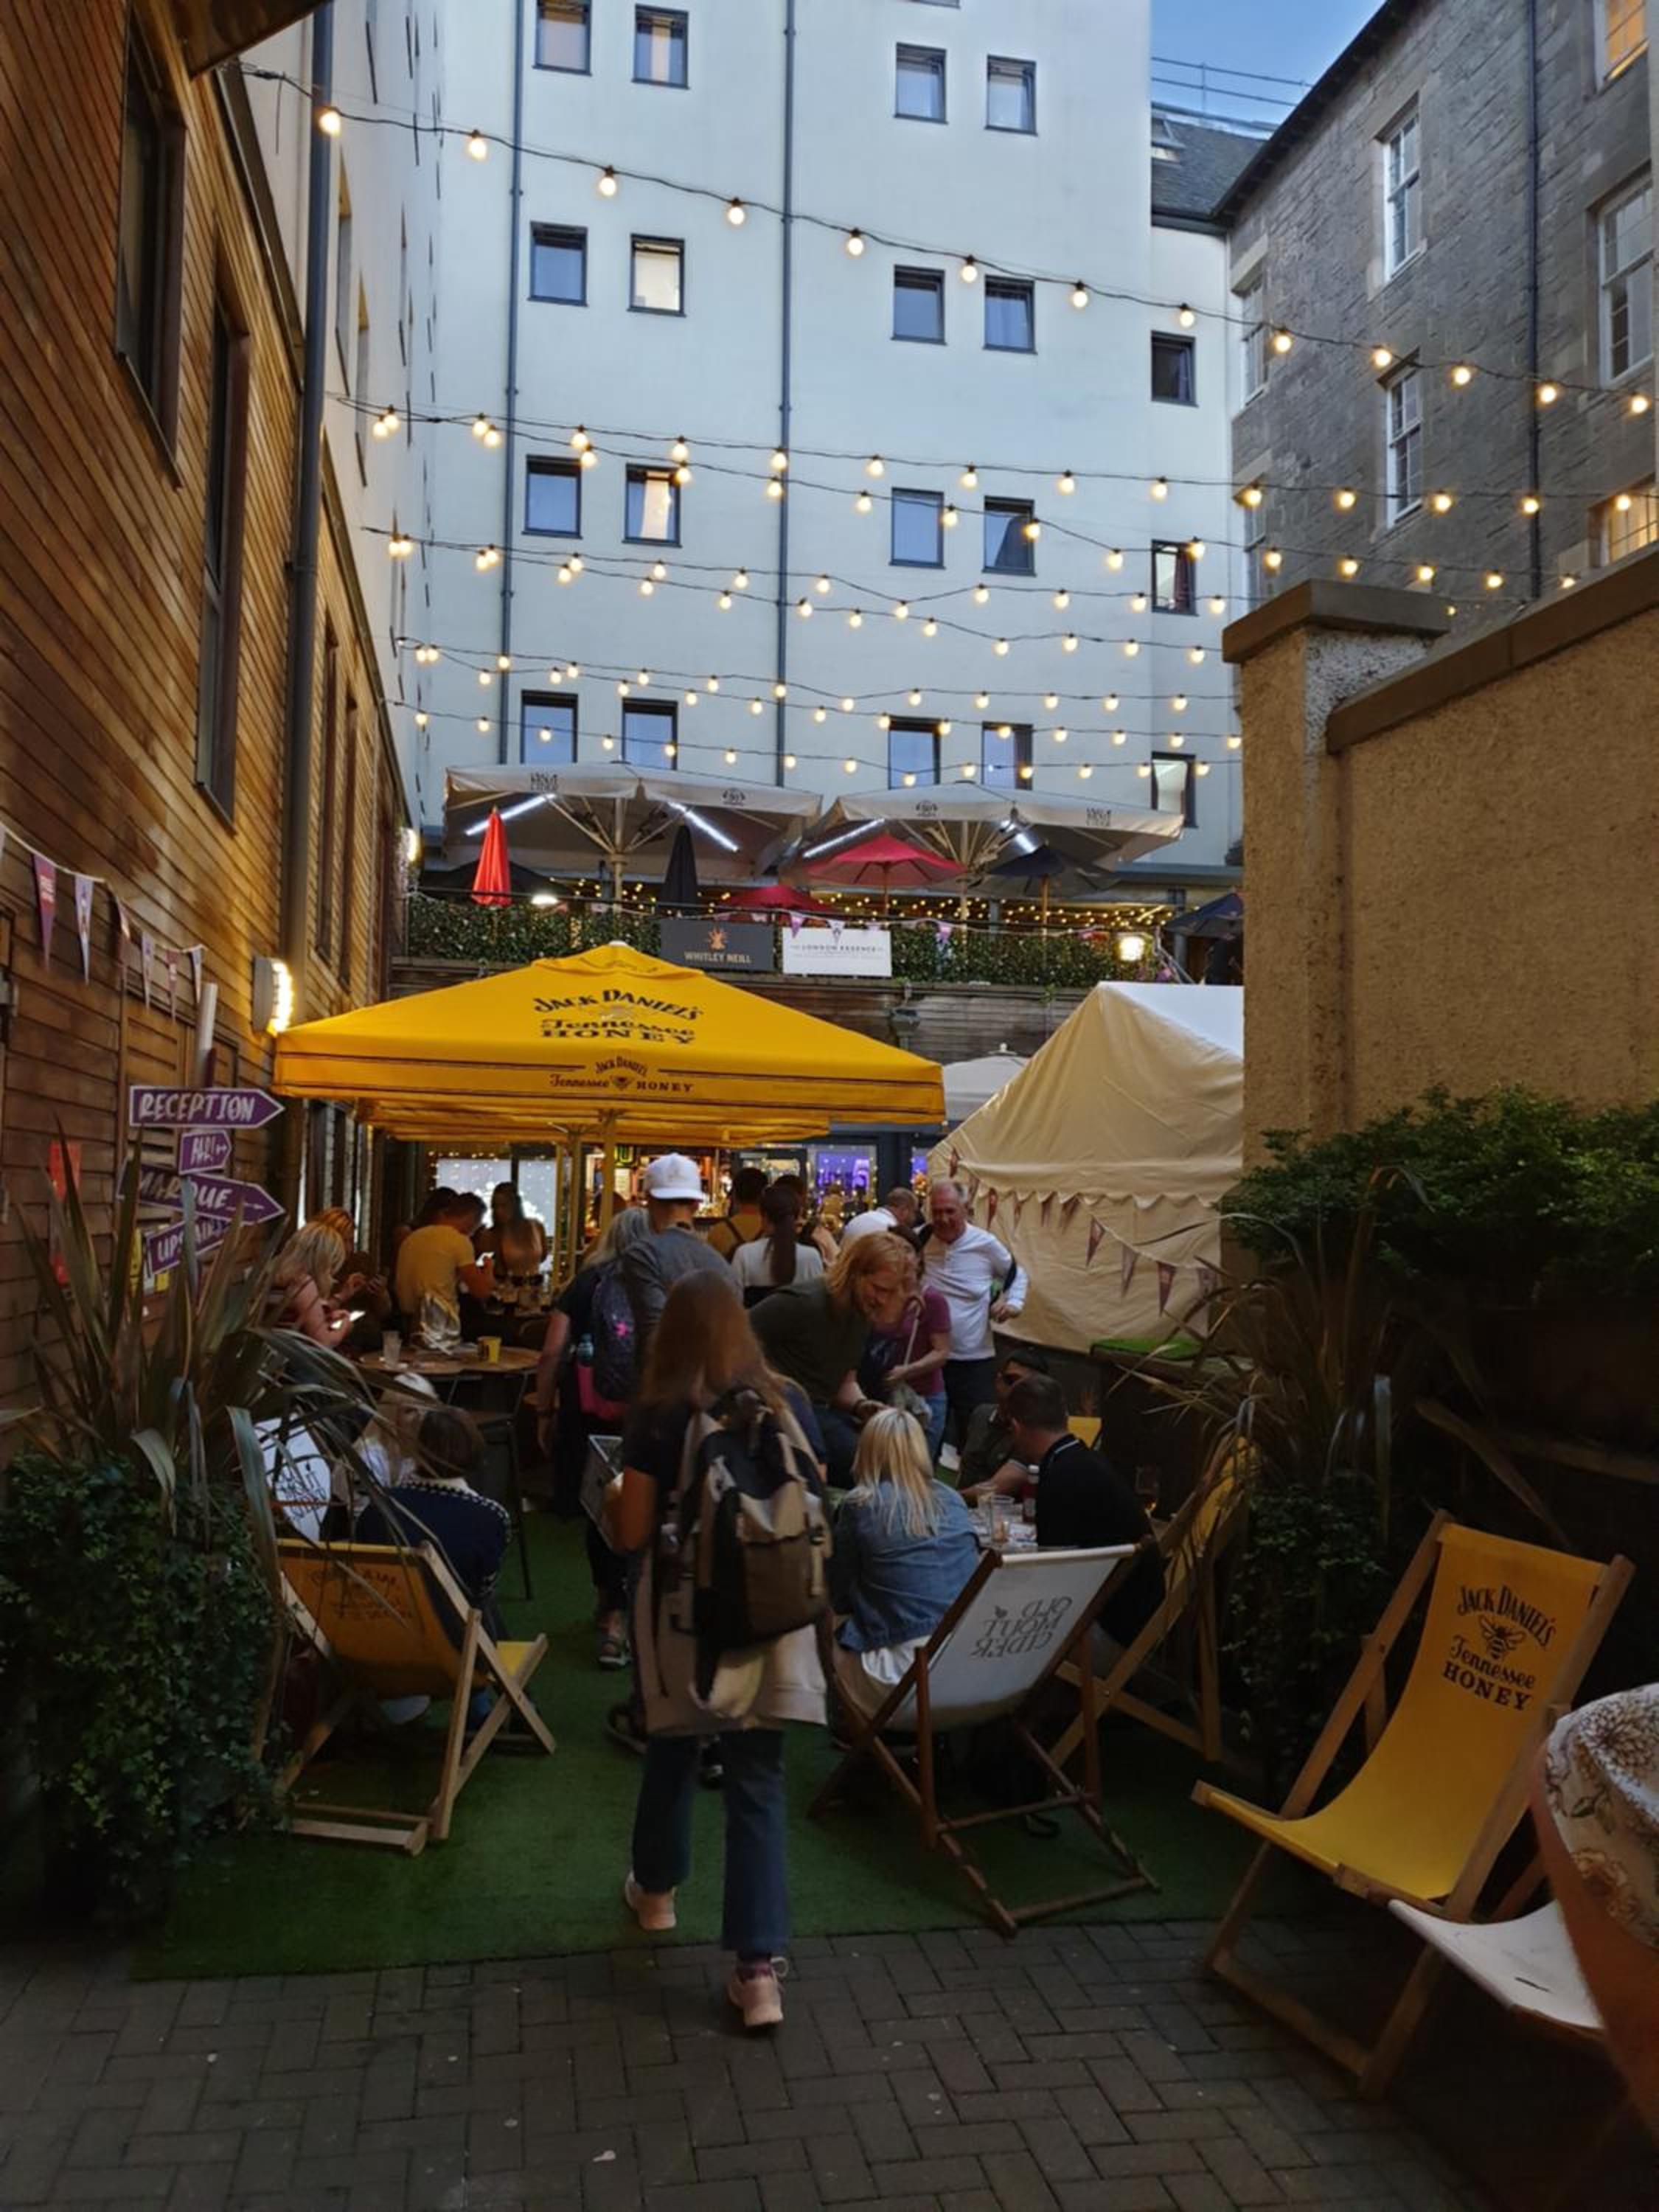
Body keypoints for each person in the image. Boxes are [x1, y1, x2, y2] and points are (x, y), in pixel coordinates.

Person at [608, 1274, 827, 2031]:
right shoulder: (788, 1402)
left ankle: (657, 1894)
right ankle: (758, 1974)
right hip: (774, 1613)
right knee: (757, 1780)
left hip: (687, 1619)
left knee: (672, 1747)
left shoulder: (661, 1410)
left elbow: (634, 1532)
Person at [533, 1206, 652, 1666]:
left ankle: (609, 1603)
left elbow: (551, 1351)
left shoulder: (586, 1283)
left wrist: (544, 1409)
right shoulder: (662, 1282)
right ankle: (630, 1609)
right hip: (646, 1411)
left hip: (589, 1411)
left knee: (600, 1506)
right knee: (642, 1503)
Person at [829, 1410, 979, 1724]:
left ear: (867, 1450)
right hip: (966, 1667)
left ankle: (846, 1724)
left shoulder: (860, 1504)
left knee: (825, 1617)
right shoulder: (952, 1500)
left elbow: (839, 1594)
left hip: (901, 1677)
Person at [1002, 1374, 1164, 1646]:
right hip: (1142, 1618)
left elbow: (1050, 1579)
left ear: (1016, 1427)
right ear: (1064, 1416)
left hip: (1107, 1629)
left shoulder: (1058, 1478)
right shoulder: (1087, 1459)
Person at [750, 1233, 914, 1486]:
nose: (882, 1299)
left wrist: (861, 1405)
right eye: (878, 1289)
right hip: (781, 1411)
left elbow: (846, 1383)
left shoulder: (862, 1314)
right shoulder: (804, 1302)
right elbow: (735, 1335)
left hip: (821, 1412)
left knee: (884, 1462)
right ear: (855, 1274)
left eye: (890, 1292)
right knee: (845, 1463)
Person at [355, 1404, 510, 1625]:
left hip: (386, 1625)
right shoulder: (491, 1516)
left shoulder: (379, 1506)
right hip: (458, 1632)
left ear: (416, 1449)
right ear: (474, 1449)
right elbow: (483, 1589)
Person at [922, 1181, 1027, 1446]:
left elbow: (1017, 1274)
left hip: (973, 1359)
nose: (943, 1219)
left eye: (950, 1211)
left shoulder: (985, 1243)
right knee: (928, 1431)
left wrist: (1013, 1303)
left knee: (973, 1435)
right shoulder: (921, 1239)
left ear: (965, 1209)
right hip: (929, 1358)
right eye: (937, 1212)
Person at [617, 1155, 734, 1357]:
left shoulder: (642, 1255)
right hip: (714, 1370)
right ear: (696, 1204)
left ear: (648, 1200)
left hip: (663, 1372)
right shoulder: (720, 1263)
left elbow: (653, 1330)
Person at [863, 1270, 952, 1459]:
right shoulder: (880, 1295)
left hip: (922, 1397)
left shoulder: (932, 1299)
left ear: (919, 1261)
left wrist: (907, 1371)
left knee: (916, 1464)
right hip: (881, 1394)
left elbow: (942, 1352)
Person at [957, 1347, 1051, 1500]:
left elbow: (997, 1489)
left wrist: (949, 1499)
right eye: (1011, 1380)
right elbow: (964, 1469)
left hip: (1002, 1511)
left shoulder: (1035, 1431)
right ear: (998, 1380)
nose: (1017, 1389)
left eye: (1027, 1385)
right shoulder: (981, 1414)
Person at [394, 1190, 494, 1326]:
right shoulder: (459, 1241)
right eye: (477, 1226)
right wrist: (488, 1268)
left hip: (406, 1321)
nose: (474, 1233)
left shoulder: (412, 1238)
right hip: (440, 1323)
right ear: (472, 1220)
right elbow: (482, 1292)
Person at [732, 1184, 825, 1307]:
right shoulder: (811, 1256)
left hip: (755, 1319)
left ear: (764, 1217)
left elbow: (734, 1303)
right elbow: (819, 1304)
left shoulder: (745, 1254)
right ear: (797, 1218)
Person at [269, 1223, 355, 1349]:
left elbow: (291, 1321)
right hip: (295, 1357)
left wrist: (326, 1317)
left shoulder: (275, 1277)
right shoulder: (303, 1283)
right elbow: (325, 1342)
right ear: (323, 1261)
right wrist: (345, 1325)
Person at [475, 1183, 548, 1321]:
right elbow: (469, 1259)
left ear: (515, 1205)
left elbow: (543, 1255)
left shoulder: (536, 1226)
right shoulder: (493, 1234)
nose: (499, 1211)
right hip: (508, 1296)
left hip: (535, 1292)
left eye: (504, 1206)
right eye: (495, 1206)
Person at [703, 1165, 768, 1264]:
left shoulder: (718, 1232)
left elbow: (710, 1267)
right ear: (764, 1195)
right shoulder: (771, 1229)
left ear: (734, 1195)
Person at [841, 1186, 921, 1251]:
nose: (915, 1217)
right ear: (904, 1211)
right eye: (914, 1212)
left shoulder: (860, 1218)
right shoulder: (891, 1231)